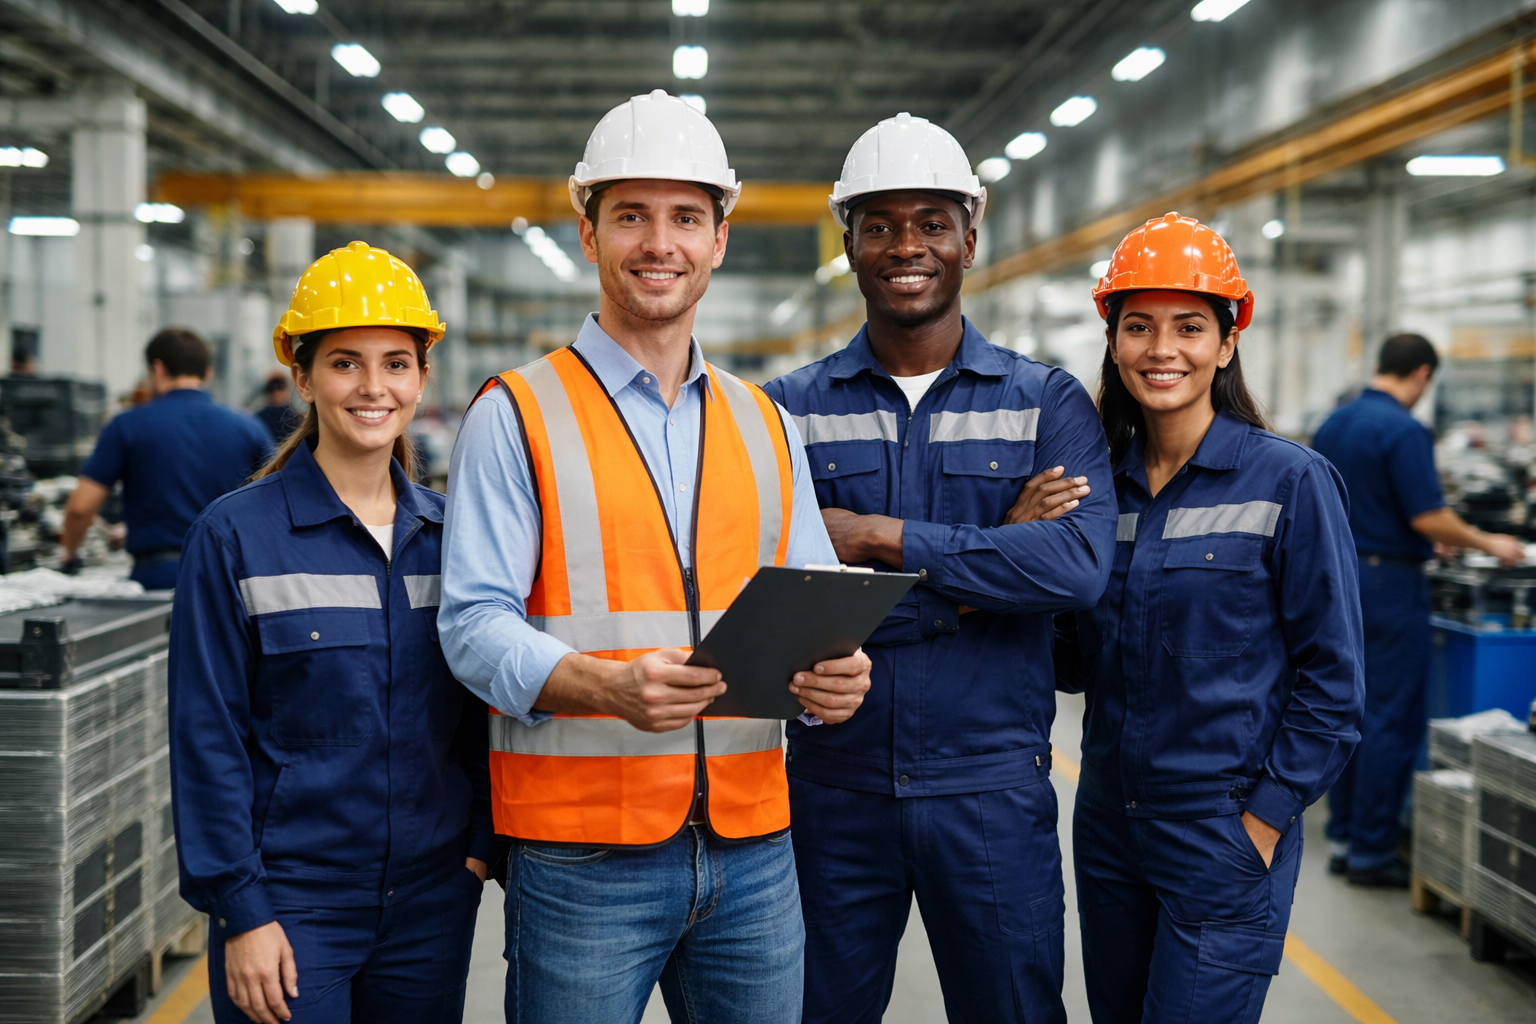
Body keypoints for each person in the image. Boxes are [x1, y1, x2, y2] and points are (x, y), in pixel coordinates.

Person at [437, 90, 872, 1024]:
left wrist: (832, 678)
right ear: (588, 232)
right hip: (582, 854)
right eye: (631, 215)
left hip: (755, 848)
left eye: (685, 217)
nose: (659, 243)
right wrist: (606, 688)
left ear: (720, 237)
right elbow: (470, 627)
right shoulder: (516, 414)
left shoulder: (768, 425)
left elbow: (807, 610)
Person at [764, 112, 1117, 1024]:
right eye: (879, 224)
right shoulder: (782, 412)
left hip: (991, 790)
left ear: (971, 232)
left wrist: (878, 541)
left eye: (931, 222)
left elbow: (1076, 571)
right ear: (847, 241)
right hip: (830, 792)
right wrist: (995, 562)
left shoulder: (1046, 401)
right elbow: (760, 599)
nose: (906, 246)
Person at [1039, 213, 1364, 1024]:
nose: (1162, 350)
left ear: (1227, 343)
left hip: (1220, 825)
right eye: (1139, 327)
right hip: (1110, 824)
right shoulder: (1098, 488)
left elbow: (1335, 679)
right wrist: (1027, 547)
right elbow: (1073, 660)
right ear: (1113, 342)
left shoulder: (1290, 482)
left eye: (1190, 327)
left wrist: (1264, 818)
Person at [168, 241, 494, 1024]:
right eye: (345, 363)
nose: (373, 387)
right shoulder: (235, 536)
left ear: (422, 379)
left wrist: (482, 843)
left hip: (430, 900)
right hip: (290, 901)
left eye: (395, 363)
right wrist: (241, 911)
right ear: (303, 377)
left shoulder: (457, 536)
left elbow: (485, 706)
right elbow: (207, 737)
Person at [1310, 333, 1524, 886]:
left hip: (1336, 574)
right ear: (1423, 375)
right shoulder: (1404, 429)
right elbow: (1428, 516)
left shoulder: (1336, 422)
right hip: (1389, 587)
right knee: (1390, 718)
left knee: (1346, 711)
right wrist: (1490, 542)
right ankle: (1371, 852)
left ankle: (1343, 836)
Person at [61, 328, 273, 588]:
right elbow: (278, 502)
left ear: (157, 369)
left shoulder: (128, 425)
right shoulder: (249, 427)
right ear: (207, 373)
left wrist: (69, 555)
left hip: (159, 576)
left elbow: (81, 507)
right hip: (231, 576)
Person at [257, 373, 301, 440]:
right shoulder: (296, 417)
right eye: (273, 388)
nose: (277, 393)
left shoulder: (259, 417)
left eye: (280, 387)